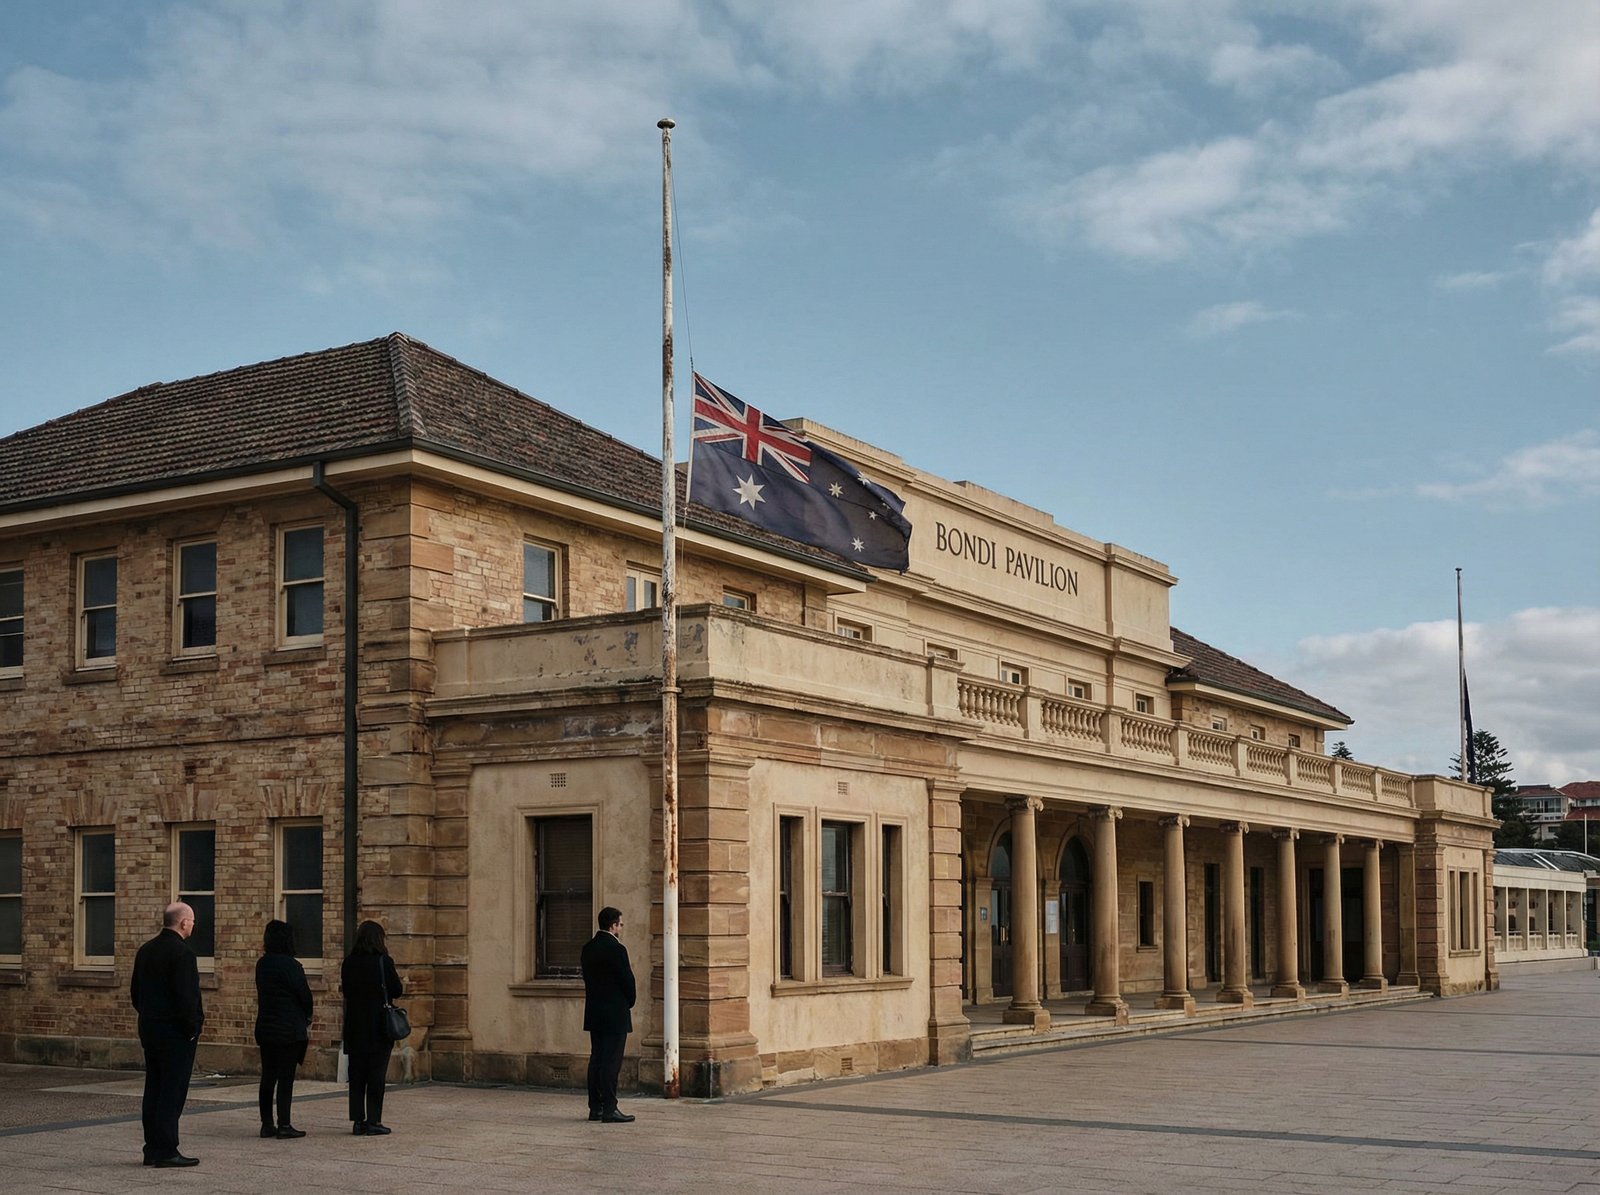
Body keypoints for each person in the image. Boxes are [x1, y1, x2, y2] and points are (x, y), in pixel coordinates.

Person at [130, 901, 205, 1168]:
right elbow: (187, 998)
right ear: (184, 922)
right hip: (175, 1033)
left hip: (150, 1029)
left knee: (154, 1088)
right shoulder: (183, 954)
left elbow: (135, 994)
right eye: (192, 921)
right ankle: (166, 1148)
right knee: (172, 1092)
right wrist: (193, 1028)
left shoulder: (146, 950)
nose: (194, 925)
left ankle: (152, 1147)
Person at [341, 919, 402, 1136]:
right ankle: (374, 1120)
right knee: (376, 1074)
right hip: (378, 1026)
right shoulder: (383, 961)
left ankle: (358, 1120)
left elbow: (346, 990)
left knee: (357, 1075)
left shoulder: (348, 962)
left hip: (355, 1025)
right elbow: (397, 989)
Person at [255, 919, 313, 1139]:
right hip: (289, 1028)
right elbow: (304, 996)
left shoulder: (263, 964)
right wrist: (307, 1014)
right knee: (286, 1077)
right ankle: (285, 1124)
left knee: (268, 1076)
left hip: (267, 1026)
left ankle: (266, 1123)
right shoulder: (292, 965)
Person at [581, 905, 636, 1124]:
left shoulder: (588, 948)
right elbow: (627, 981)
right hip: (615, 1012)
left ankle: (595, 1107)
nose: (621, 928)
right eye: (620, 924)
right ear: (613, 925)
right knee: (612, 1062)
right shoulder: (617, 949)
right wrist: (629, 1001)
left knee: (597, 1060)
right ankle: (610, 1108)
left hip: (595, 1011)